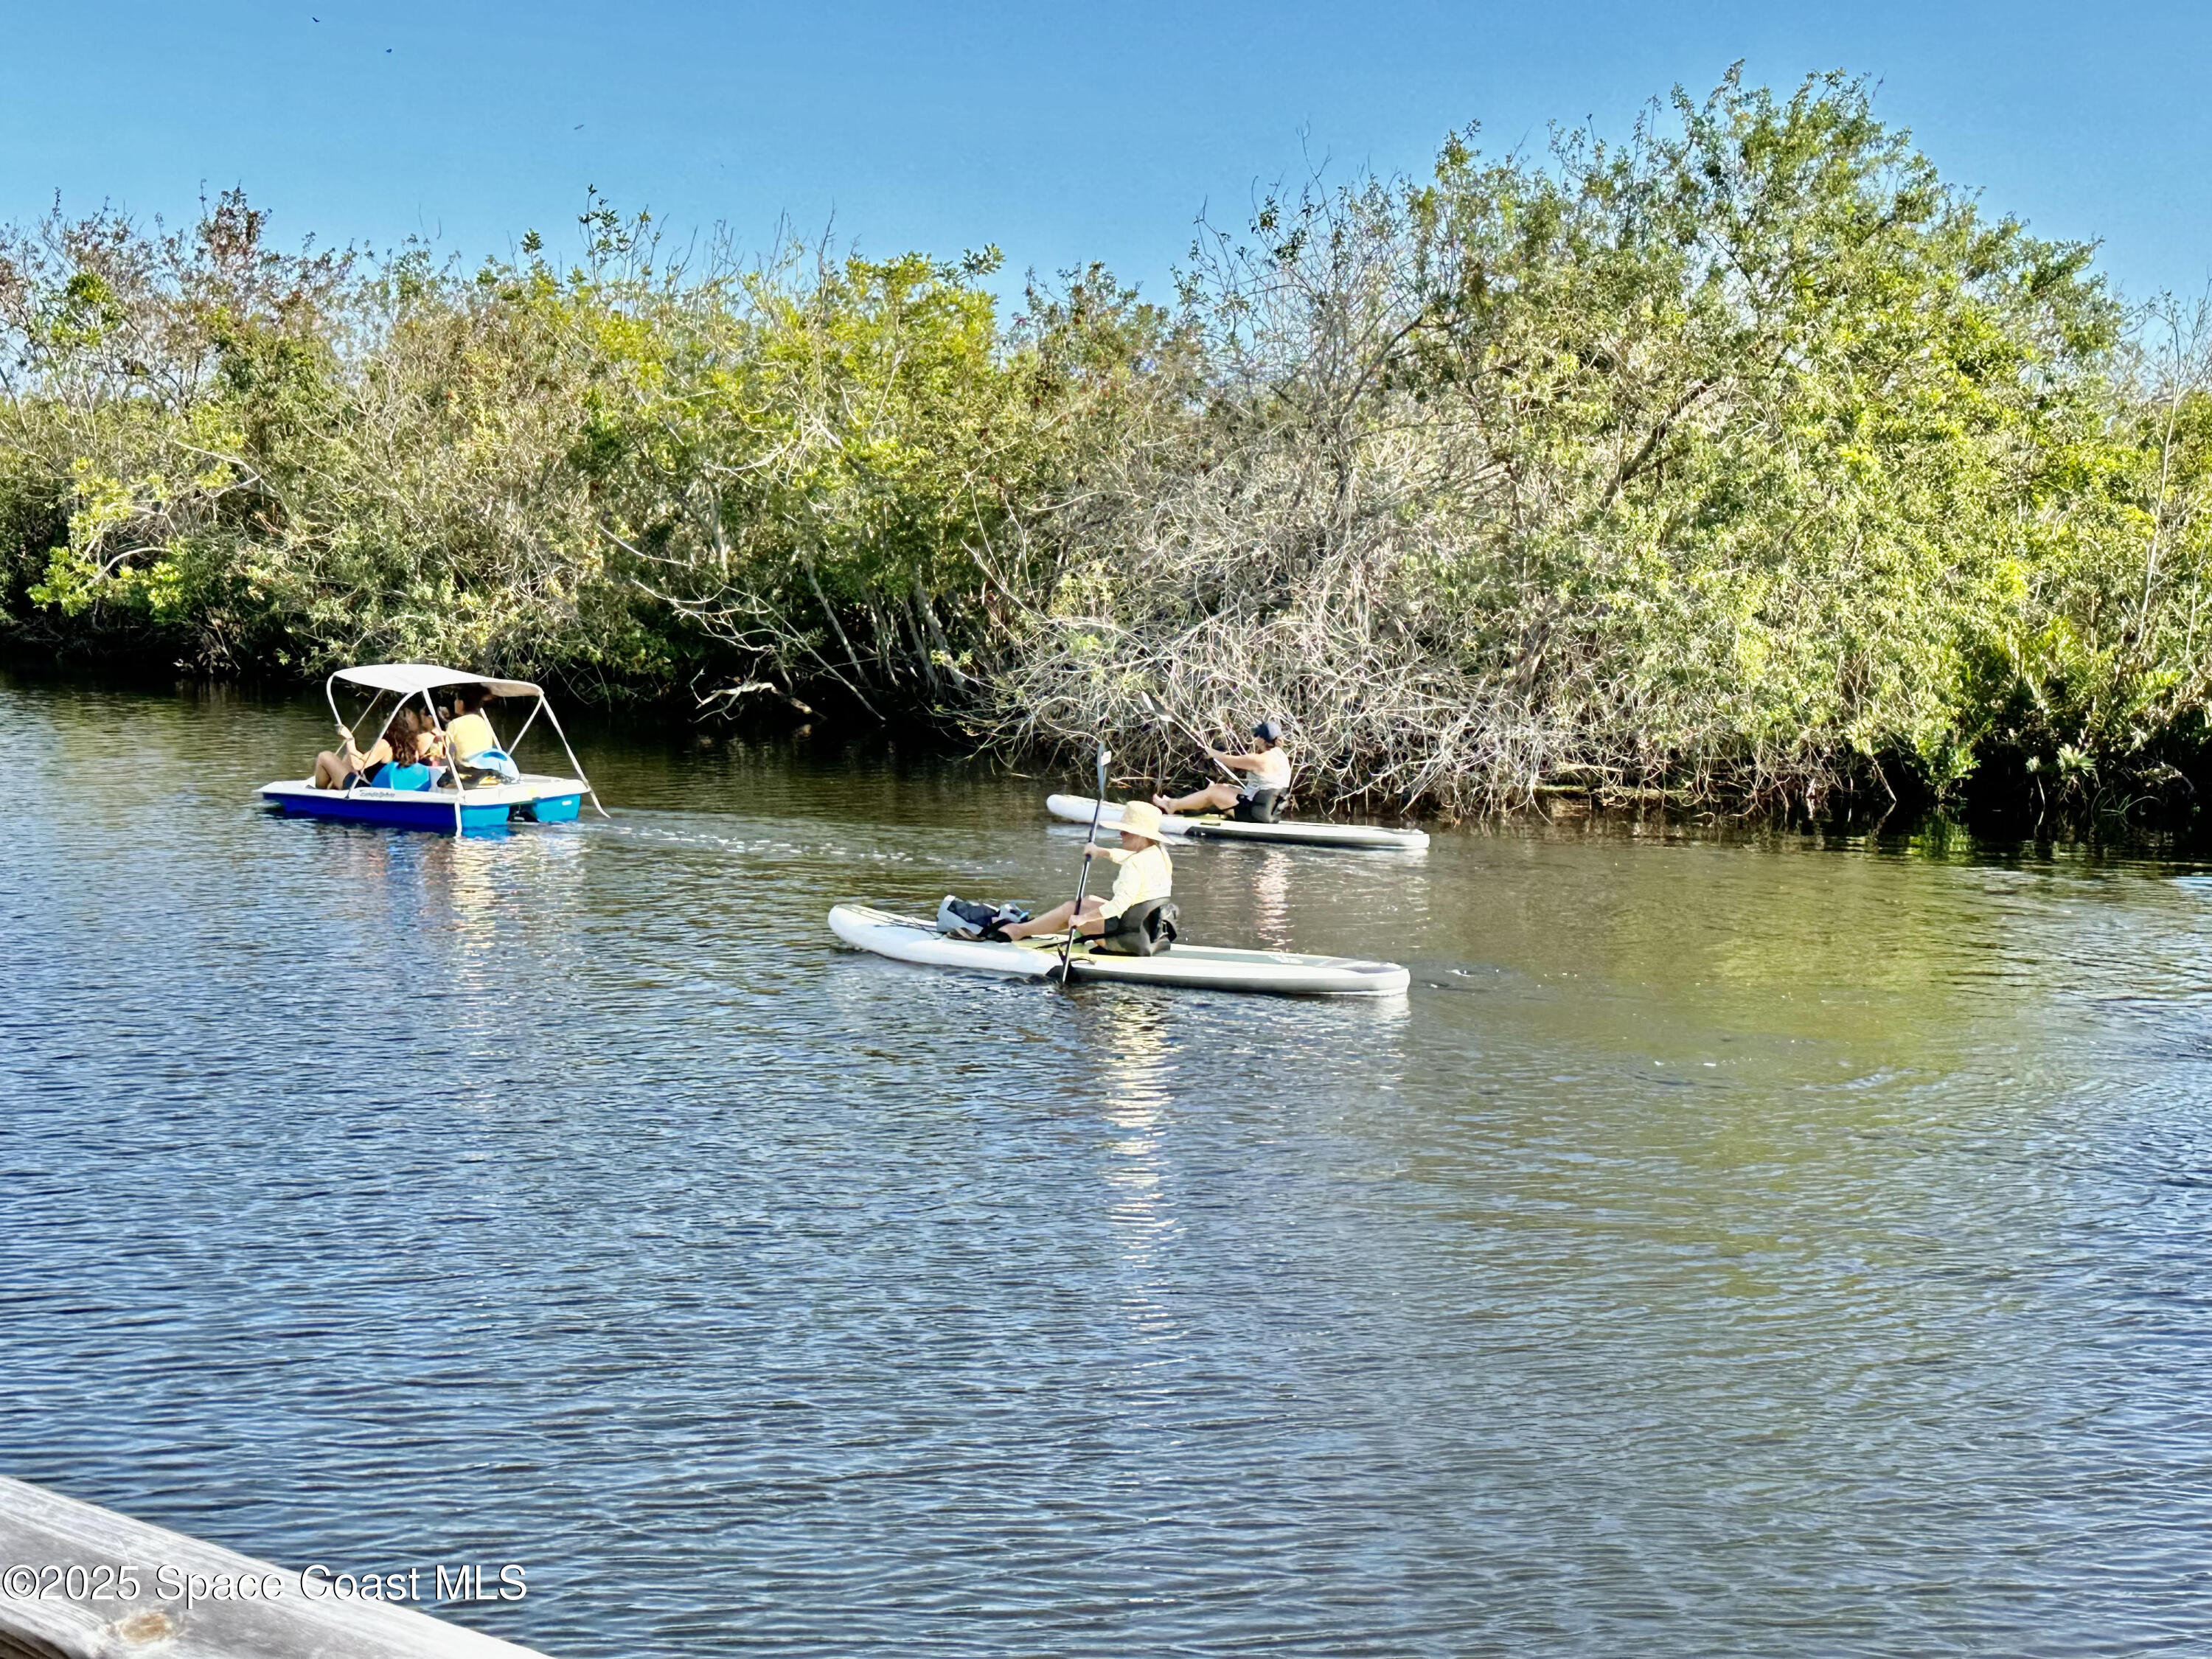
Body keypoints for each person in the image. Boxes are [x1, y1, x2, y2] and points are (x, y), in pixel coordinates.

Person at [999, 800, 1173, 945]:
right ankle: (1037, 925)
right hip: (1148, 930)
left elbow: (1119, 904)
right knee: (1089, 901)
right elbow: (1128, 857)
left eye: (1125, 831)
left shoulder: (1135, 864)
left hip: (1128, 939)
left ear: (1140, 835)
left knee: (1073, 909)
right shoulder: (1158, 854)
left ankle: (1018, 931)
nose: (1120, 834)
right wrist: (1101, 852)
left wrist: (1084, 919)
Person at [1153, 719, 1293, 822]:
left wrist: (1210, 751)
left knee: (1214, 792)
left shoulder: (1259, 760)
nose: (1255, 739)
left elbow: (1227, 760)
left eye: (1257, 736)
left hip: (1255, 813)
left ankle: (1172, 805)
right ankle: (1183, 805)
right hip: (1271, 811)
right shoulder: (1282, 757)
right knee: (1222, 787)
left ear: (1262, 739)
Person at [443, 684, 521, 784]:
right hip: (487, 764)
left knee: (442, 781)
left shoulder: (454, 724)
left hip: (468, 767)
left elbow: (447, 753)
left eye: (456, 699)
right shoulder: (483, 722)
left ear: (461, 703)